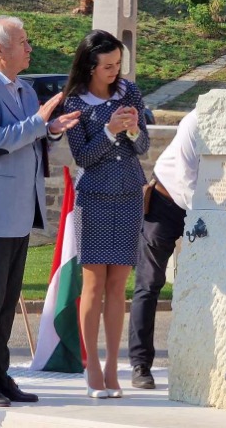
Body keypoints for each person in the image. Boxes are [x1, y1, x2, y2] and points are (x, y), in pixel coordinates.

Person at [0, 15, 80, 407]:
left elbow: (31, 135)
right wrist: (40, 123)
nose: (29, 48)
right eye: (23, 42)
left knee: (8, 301)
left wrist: (52, 126)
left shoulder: (24, 89)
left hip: (19, 209)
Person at [63, 29, 150, 399]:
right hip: (94, 197)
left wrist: (131, 131)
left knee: (119, 286)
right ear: (90, 65)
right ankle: (93, 367)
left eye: (118, 63)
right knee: (94, 285)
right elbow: (82, 157)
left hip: (130, 193)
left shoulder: (129, 92)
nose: (115, 71)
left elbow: (143, 146)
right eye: (108, 65)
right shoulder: (73, 103)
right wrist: (111, 131)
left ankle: (114, 366)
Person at [128, 109, 199, 389]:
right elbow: (185, 177)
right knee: (149, 283)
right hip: (166, 201)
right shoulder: (194, 122)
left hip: (204, 205)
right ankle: (140, 363)